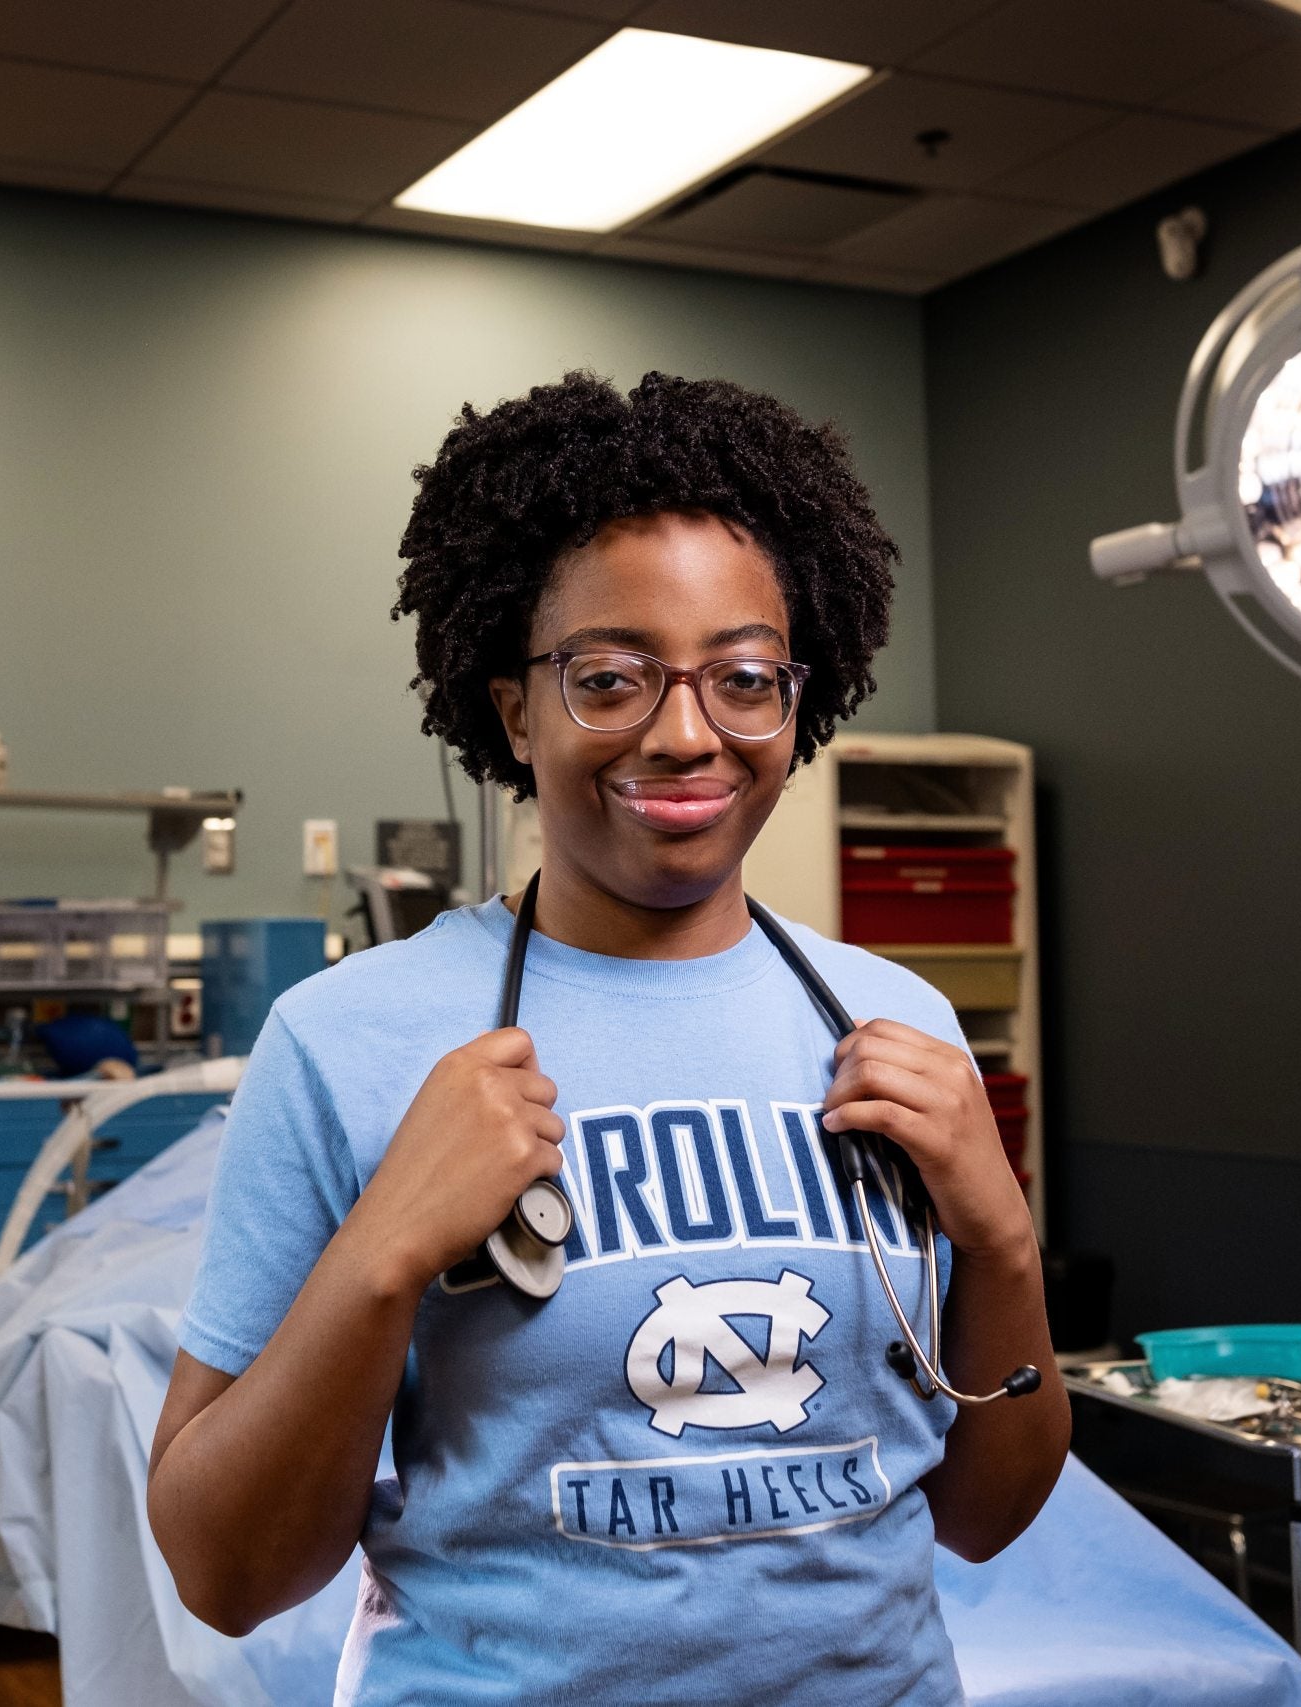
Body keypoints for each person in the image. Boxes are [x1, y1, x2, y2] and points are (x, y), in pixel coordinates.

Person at [148, 371, 1069, 1704]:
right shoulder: (348, 1037)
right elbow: (224, 1576)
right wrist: (385, 1252)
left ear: (797, 701)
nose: (686, 734)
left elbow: (987, 1513)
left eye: (744, 677)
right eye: (611, 679)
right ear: (515, 711)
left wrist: (999, 1239)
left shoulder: (897, 1025)